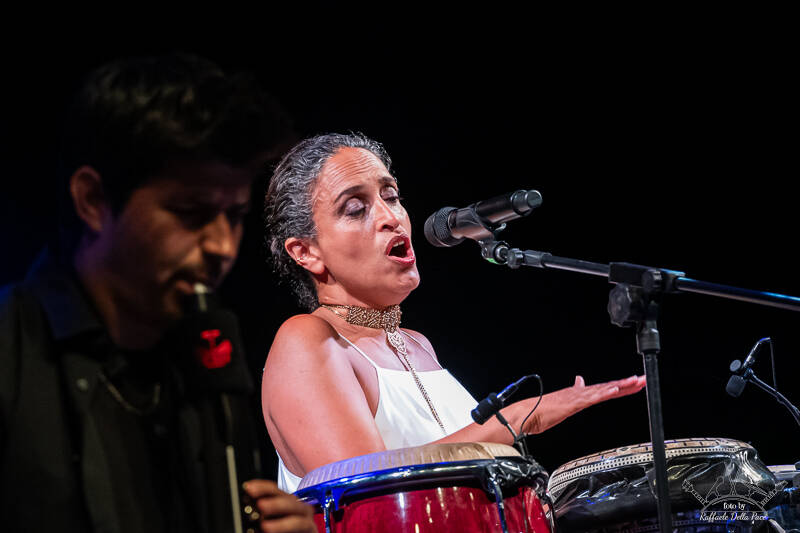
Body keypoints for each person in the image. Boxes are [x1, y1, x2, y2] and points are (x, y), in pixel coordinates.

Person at [0, 54, 314, 533]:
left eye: (234, 215)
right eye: (190, 211)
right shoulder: (10, 349)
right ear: (92, 200)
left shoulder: (207, 360)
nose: (222, 247)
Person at [261, 132, 648, 492]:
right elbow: (370, 491)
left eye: (391, 196)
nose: (390, 217)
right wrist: (517, 419)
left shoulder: (418, 345)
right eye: (356, 208)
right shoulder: (307, 339)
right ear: (306, 252)